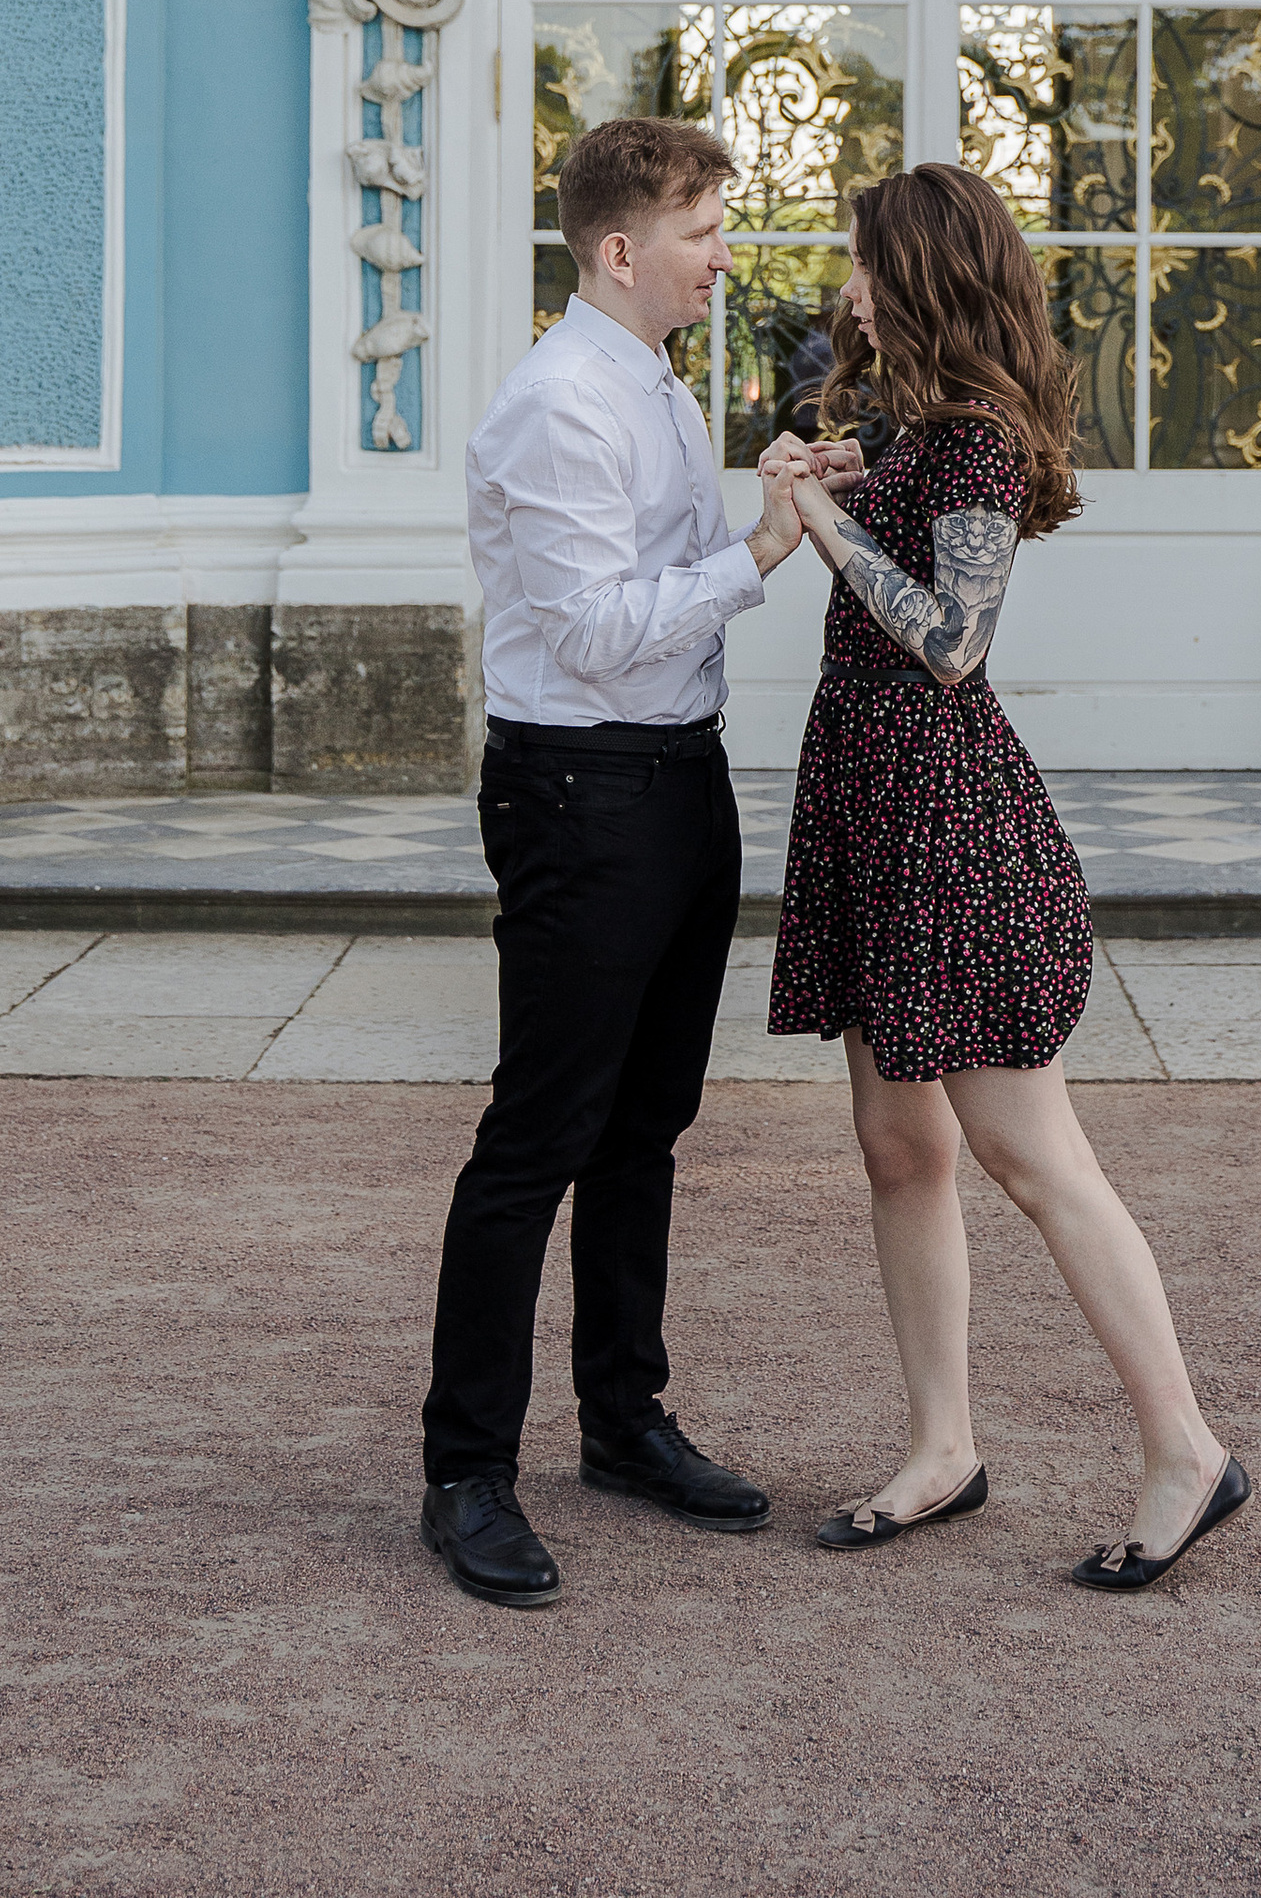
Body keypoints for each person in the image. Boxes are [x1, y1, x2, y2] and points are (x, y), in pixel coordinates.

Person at [760, 162, 1249, 1593]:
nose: (844, 285)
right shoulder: (913, 438)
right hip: (875, 814)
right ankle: (942, 1449)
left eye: (860, 261)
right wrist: (849, 476)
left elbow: (954, 637)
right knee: (900, 1151)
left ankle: (1185, 1449)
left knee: (1034, 1158)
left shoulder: (971, 439)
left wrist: (830, 522)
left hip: (947, 829)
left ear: (913, 274)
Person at [419, 113, 841, 1611]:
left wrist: (772, 499)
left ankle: (621, 1424)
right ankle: (466, 1469)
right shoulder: (556, 405)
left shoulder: (655, 384)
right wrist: (765, 555)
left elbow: (652, 587)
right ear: (620, 251)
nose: (727, 255)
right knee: (539, 1133)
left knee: (648, 1123)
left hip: (679, 780)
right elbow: (596, 630)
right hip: (578, 796)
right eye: (705, 232)